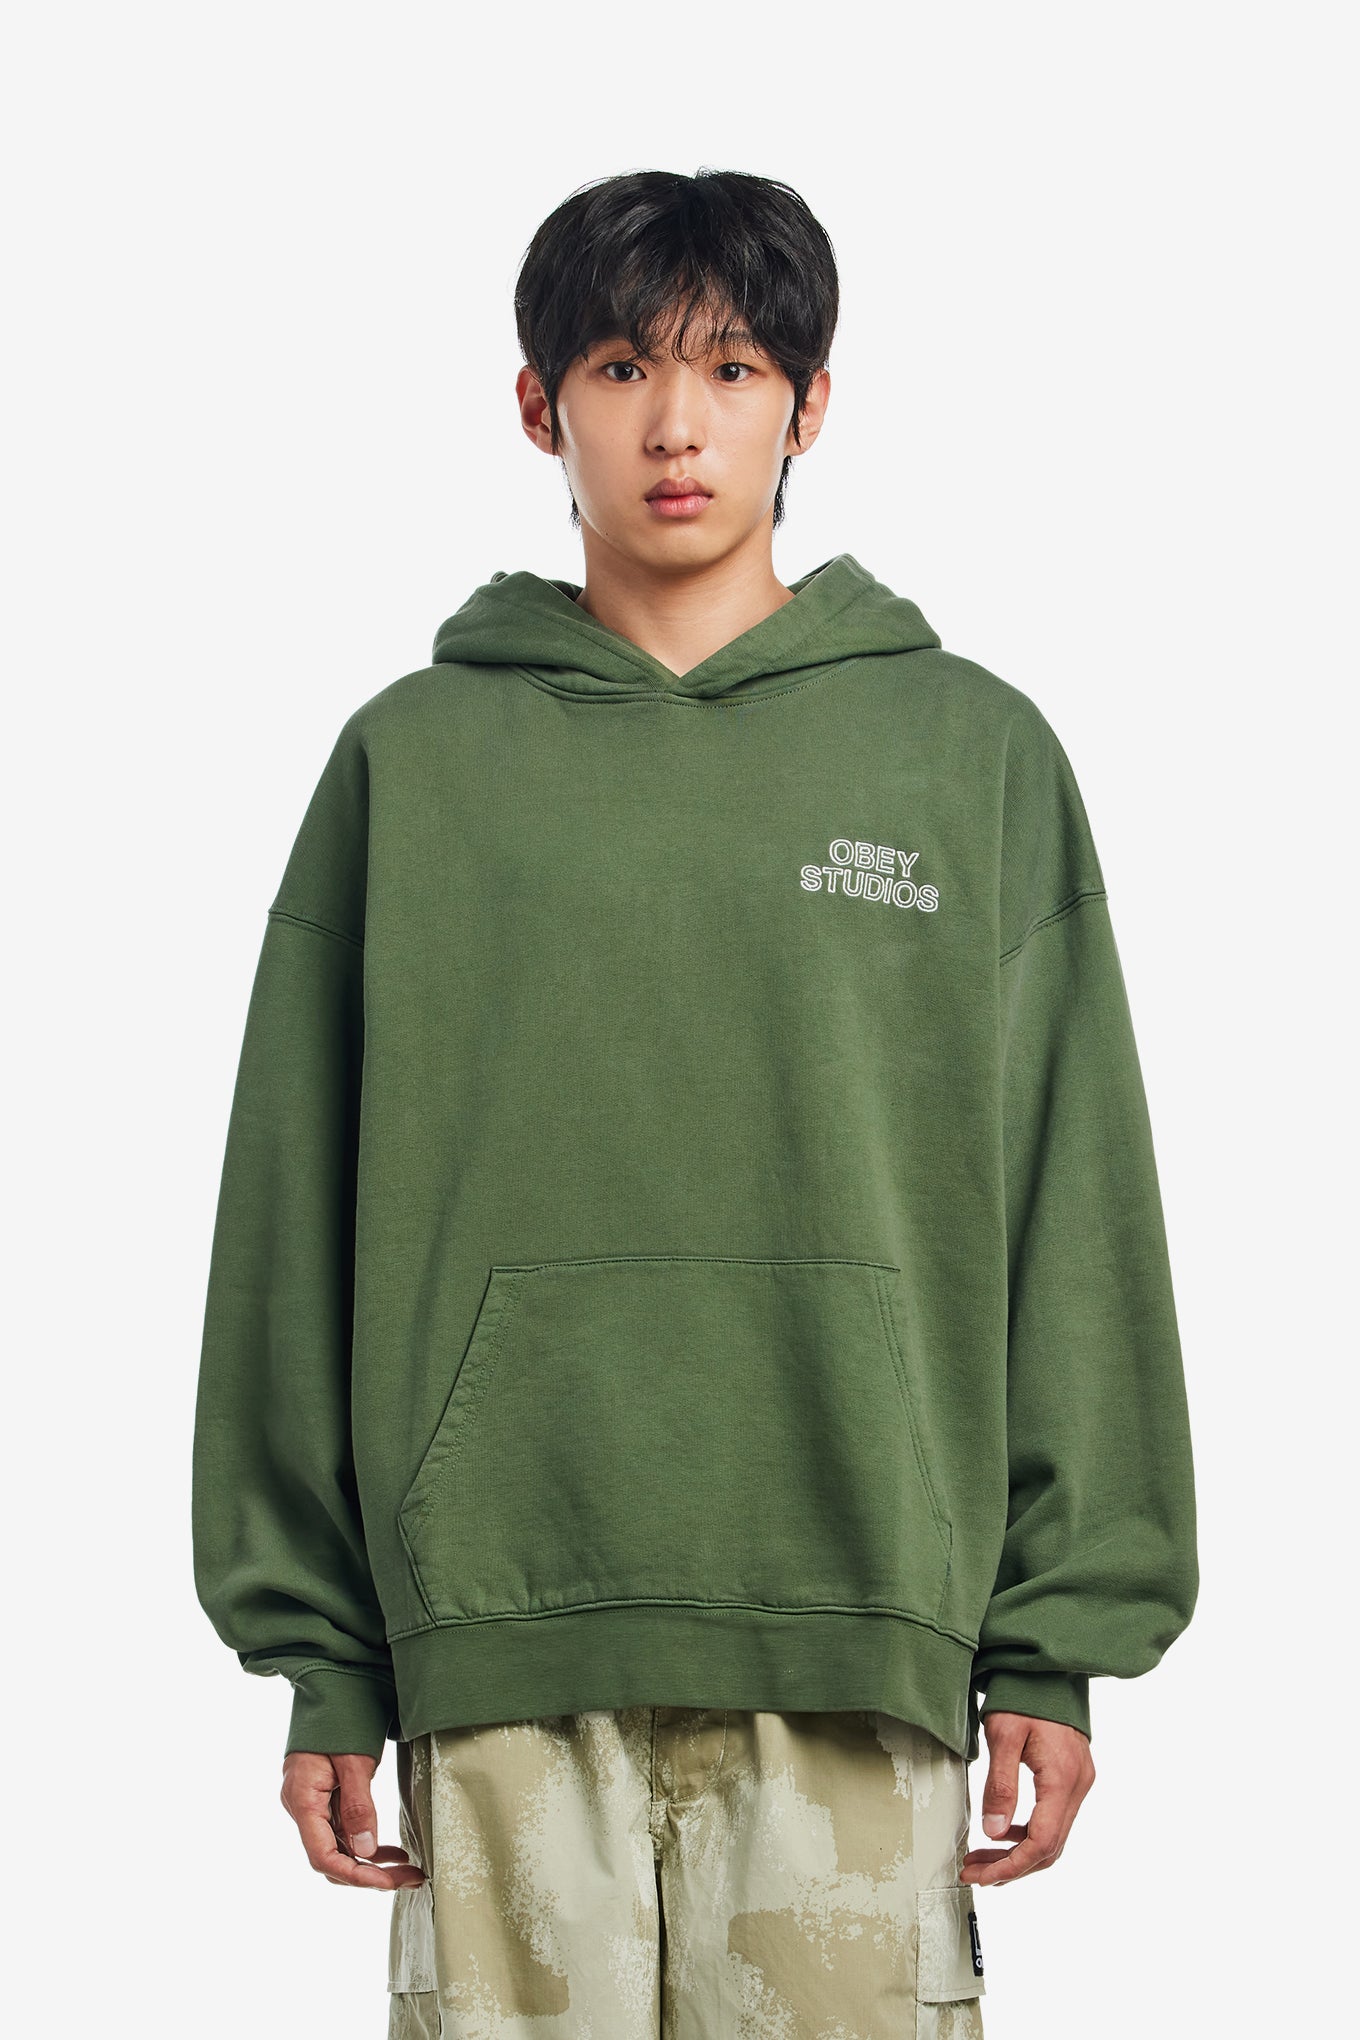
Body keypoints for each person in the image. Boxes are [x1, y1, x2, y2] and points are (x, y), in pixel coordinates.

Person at [192, 167, 1198, 2036]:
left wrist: (1060, 1643)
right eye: (619, 366)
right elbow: (292, 1220)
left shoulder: (967, 752)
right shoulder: (412, 764)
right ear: (537, 404)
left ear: (808, 405)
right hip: (497, 1634)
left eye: (732, 369)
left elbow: (1078, 1200)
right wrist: (320, 1654)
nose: (676, 425)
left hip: (860, 1627)